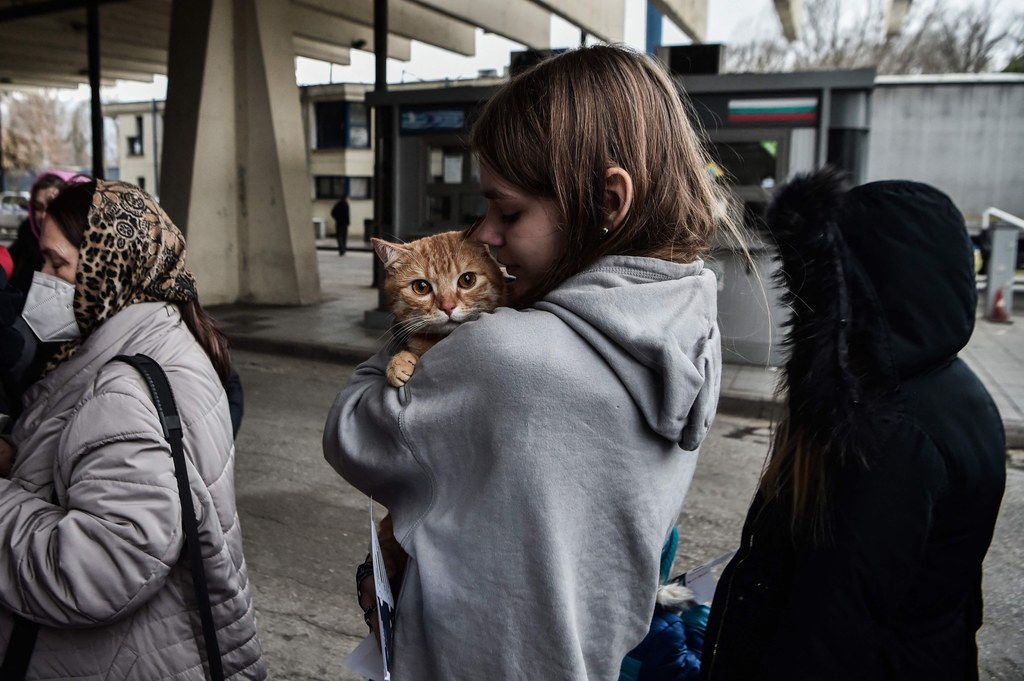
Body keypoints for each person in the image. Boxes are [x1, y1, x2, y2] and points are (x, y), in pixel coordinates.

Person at [324, 44, 734, 680]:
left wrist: (419, 314)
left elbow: (351, 429)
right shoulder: (687, 329)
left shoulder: (506, 356)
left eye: (507, 210)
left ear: (606, 202)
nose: (484, 233)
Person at [701, 169, 1007, 681]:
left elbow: (831, 629)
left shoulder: (889, 431)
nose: (801, 303)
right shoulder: (949, 389)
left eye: (819, 283)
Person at [0, 180, 267, 678]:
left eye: (58, 264)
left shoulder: (124, 391)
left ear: (110, 266)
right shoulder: (162, 337)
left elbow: (95, 570)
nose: (42, 279)